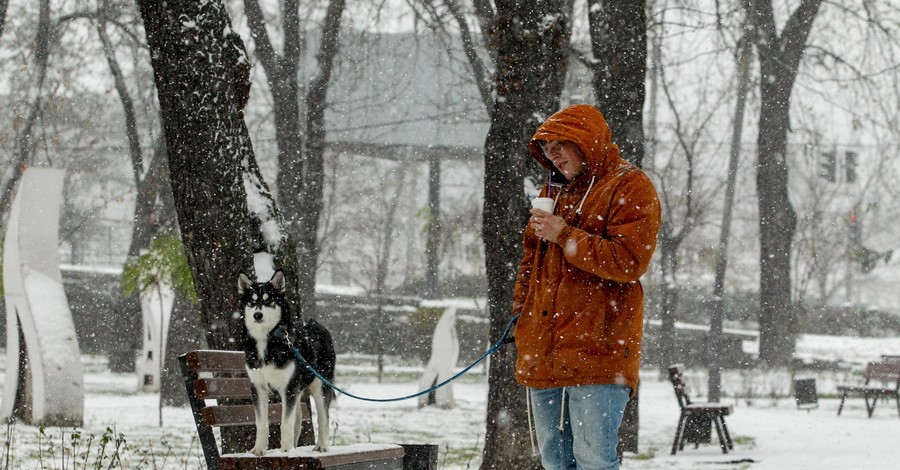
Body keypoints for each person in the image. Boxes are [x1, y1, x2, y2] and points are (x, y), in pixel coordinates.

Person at [512, 104, 661, 470]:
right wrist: (521, 313)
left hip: (598, 352)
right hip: (544, 353)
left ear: (588, 141)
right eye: (547, 148)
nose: (554, 154)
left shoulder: (629, 186)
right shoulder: (554, 193)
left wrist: (564, 234)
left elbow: (629, 261)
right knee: (554, 460)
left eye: (562, 143)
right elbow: (532, 261)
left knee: (594, 459)